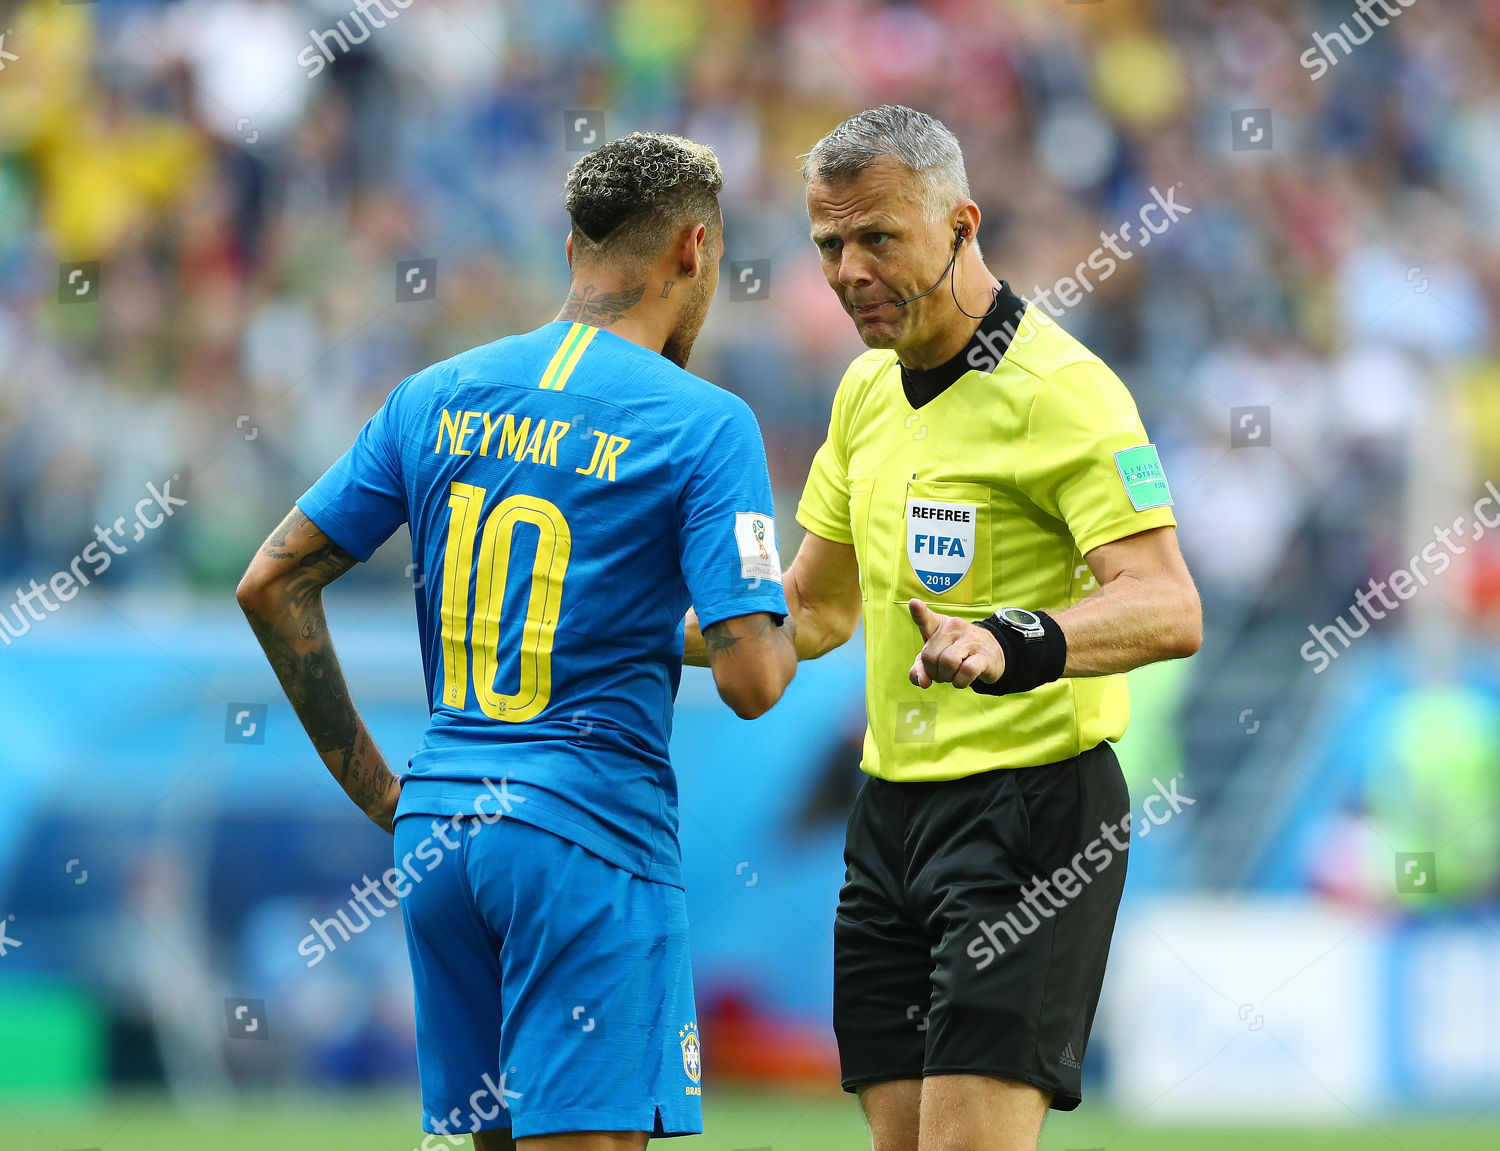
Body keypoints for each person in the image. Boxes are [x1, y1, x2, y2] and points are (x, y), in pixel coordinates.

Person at [238, 131, 797, 1151]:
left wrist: (386, 793)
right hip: (585, 840)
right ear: (696, 248)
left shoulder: (438, 391)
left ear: (573, 242)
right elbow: (757, 677)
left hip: (441, 832)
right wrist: (786, 619)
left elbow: (272, 581)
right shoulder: (704, 424)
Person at [686, 105, 1202, 1151]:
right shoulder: (866, 390)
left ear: (962, 223)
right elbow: (817, 608)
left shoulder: (1065, 391)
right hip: (890, 823)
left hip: (1031, 813)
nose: (848, 270)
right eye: (829, 243)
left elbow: (1168, 603)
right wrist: (654, 628)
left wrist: (1014, 641)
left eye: (880, 237)